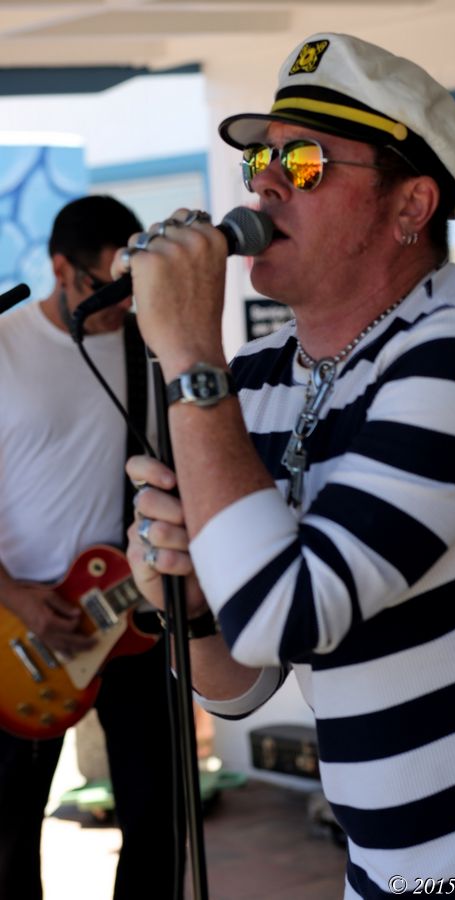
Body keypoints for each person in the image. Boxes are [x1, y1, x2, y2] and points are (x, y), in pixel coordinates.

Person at [120, 33, 455, 899]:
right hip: (388, 870)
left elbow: (287, 616)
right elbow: (243, 685)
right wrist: (191, 607)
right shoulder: (253, 384)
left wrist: (190, 353)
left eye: (303, 161)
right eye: (260, 159)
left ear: (411, 203)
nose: (266, 182)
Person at [0, 195, 185, 900]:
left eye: (129, 285)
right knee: (9, 832)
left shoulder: (153, 349)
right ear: (59, 269)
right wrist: (15, 596)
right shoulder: (5, 346)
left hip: (134, 615)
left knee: (159, 815)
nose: (121, 303)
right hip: (24, 632)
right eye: (103, 286)